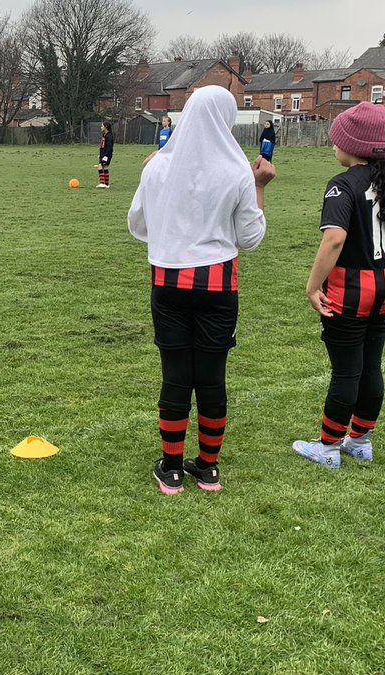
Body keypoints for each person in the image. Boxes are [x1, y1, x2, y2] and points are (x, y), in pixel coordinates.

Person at [128, 86, 276, 495]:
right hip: (217, 282)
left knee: (176, 375)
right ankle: (208, 468)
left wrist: (167, 211)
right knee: (211, 377)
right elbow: (251, 238)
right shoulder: (236, 172)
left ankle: (172, 468)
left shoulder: (157, 166)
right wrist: (260, 186)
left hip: (168, 281)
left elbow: (137, 227)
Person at [291, 102, 385, 468]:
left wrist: (313, 286)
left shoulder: (342, 186)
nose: (333, 146)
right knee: (371, 365)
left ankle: (329, 448)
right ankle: (361, 440)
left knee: (346, 369)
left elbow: (333, 240)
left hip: (351, 288)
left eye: (337, 140)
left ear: (354, 145)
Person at [97, 121, 114, 188]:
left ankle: (102, 183)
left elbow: (109, 147)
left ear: (106, 127)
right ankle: (106, 184)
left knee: (100, 167)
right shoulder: (105, 135)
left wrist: (106, 156)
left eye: (102, 126)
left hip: (106, 155)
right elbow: (103, 146)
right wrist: (100, 155)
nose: (101, 127)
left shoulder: (109, 135)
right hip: (103, 155)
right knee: (105, 167)